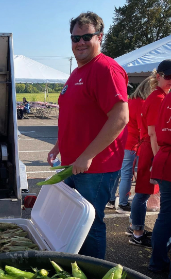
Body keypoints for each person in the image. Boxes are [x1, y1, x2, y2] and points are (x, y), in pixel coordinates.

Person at [47, 12, 129, 259]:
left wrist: (87, 155)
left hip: (96, 168)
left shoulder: (106, 69)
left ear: (99, 37)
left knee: (91, 224)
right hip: (74, 163)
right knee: (73, 220)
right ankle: (75, 268)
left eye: (86, 36)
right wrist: (58, 145)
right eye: (75, 38)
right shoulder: (76, 73)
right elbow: (76, 116)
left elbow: (121, 118)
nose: (80, 42)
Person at [128, 60, 171, 247]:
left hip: (149, 148)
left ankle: (136, 228)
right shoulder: (159, 99)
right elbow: (153, 133)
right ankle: (137, 232)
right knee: (143, 193)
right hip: (152, 150)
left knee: (142, 193)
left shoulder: (155, 96)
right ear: (159, 77)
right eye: (168, 77)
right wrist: (157, 159)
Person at [107, 77, 153, 212]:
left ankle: (110, 199)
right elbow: (142, 127)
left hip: (122, 141)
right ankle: (122, 203)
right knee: (126, 173)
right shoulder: (141, 103)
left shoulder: (130, 100)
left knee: (119, 172)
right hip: (132, 143)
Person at [148, 86, 171, 279]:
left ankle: (157, 262)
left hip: (164, 159)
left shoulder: (166, 97)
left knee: (165, 216)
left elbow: (155, 129)